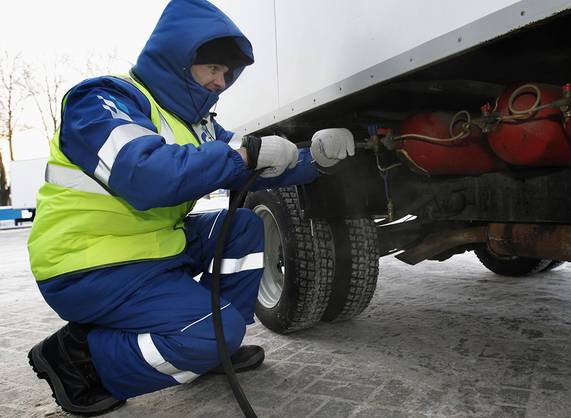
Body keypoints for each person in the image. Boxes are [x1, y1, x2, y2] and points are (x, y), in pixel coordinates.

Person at [25, 0, 355, 415]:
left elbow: (249, 168)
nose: (221, 82)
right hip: (88, 265)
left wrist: (315, 161)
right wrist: (246, 155)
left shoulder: (199, 125)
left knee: (243, 228)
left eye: (226, 74)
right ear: (179, 59)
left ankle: (215, 342)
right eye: (213, 69)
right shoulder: (102, 100)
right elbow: (144, 177)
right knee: (210, 334)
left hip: (152, 249)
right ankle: (79, 358)